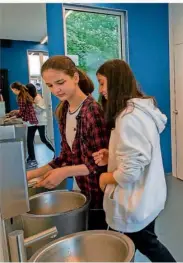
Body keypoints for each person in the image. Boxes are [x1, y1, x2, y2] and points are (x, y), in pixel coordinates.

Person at [92, 59, 176, 262]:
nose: (100, 90)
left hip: (135, 200)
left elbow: (130, 172)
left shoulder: (128, 117)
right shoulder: (140, 111)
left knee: (147, 244)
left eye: (102, 83)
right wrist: (111, 155)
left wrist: (105, 178)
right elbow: (138, 154)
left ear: (116, 81)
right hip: (146, 196)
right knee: (141, 243)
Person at [27, 55, 109, 230]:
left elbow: (100, 164)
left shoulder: (92, 111)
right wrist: (33, 174)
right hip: (82, 188)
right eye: (50, 85)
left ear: (75, 78)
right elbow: (66, 156)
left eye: (60, 82)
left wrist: (64, 172)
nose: (56, 90)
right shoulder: (64, 110)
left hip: (98, 195)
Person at [10, 82, 39, 169]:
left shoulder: (21, 97)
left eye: (13, 90)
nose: (13, 92)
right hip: (31, 120)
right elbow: (23, 109)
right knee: (29, 141)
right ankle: (31, 158)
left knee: (29, 141)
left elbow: (22, 111)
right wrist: (16, 113)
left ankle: (33, 160)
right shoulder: (24, 95)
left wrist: (14, 117)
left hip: (30, 121)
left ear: (15, 89)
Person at [26, 83, 55, 160]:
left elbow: (39, 110)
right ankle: (32, 157)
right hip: (32, 122)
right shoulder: (31, 98)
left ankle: (56, 152)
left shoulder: (38, 98)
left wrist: (31, 105)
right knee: (29, 140)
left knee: (43, 139)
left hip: (40, 122)